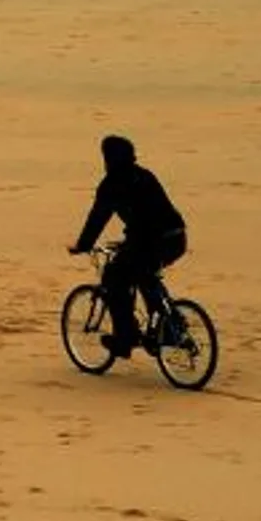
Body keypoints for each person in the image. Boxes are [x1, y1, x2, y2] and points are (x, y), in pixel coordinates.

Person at [68, 135, 187, 359]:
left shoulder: (111, 184)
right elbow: (151, 214)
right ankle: (168, 324)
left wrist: (83, 245)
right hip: (176, 237)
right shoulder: (144, 175)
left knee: (113, 278)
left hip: (149, 241)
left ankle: (126, 338)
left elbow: (98, 218)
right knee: (145, 275)